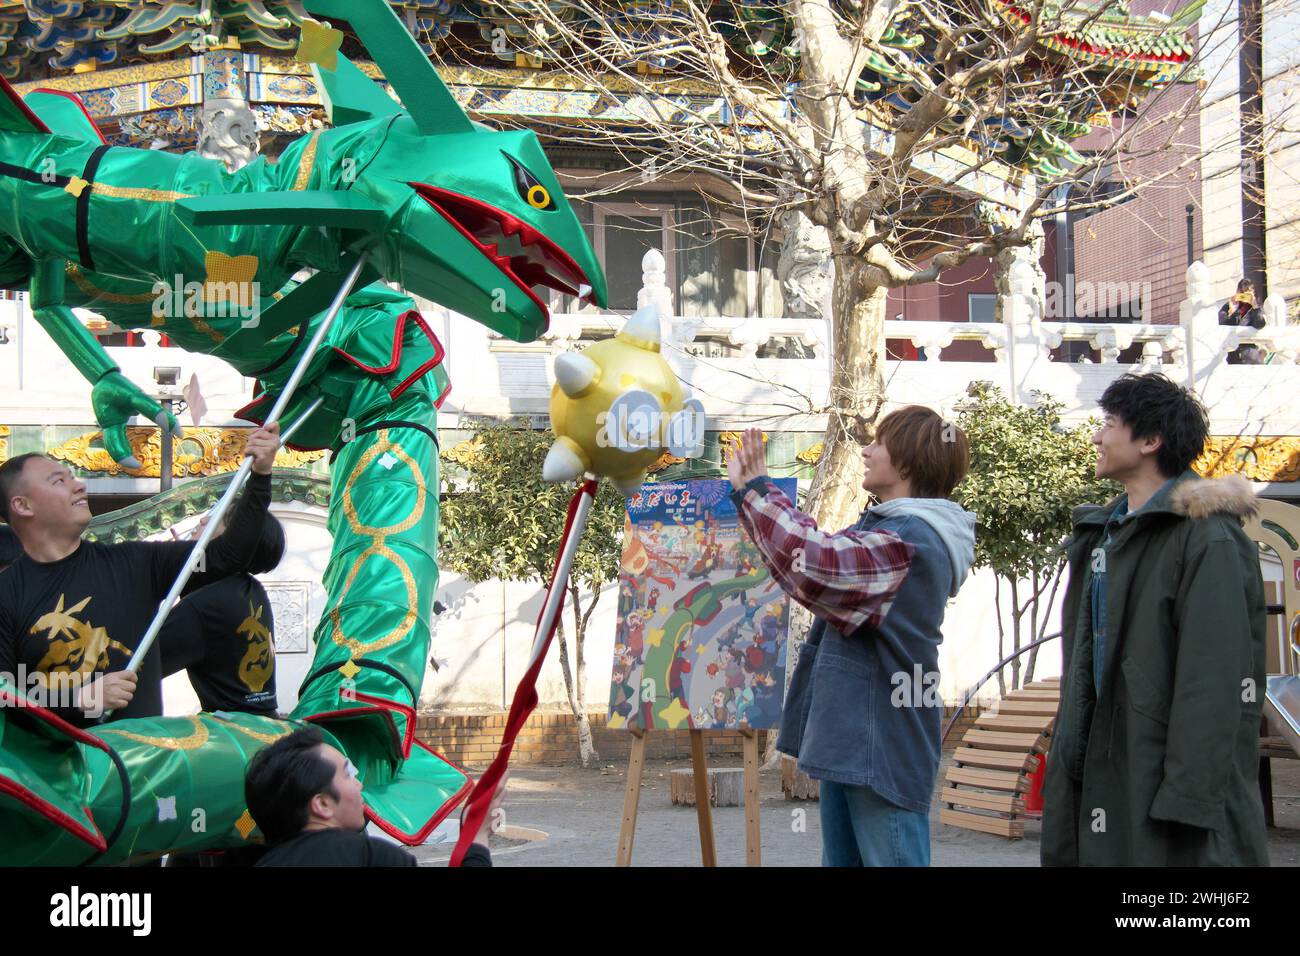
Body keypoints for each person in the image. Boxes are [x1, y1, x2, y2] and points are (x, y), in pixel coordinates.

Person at [727, 406, 975, 867]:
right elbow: (805, 563)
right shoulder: (889, 528)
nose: (866, 450)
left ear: (906, 463)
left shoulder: (912, 538)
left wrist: (758, 490)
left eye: (879, 443)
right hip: (855, 740)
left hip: (882, 745)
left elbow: (817, 564)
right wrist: (751, 497)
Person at [1041, 372, 1268, 866]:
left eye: (1109, 423)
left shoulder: (1209, 538)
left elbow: (1215, 682)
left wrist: (1188, 799)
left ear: (1150, 440)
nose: (1097, 436)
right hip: (1103, 772)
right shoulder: (1106, 533)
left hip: (1162, 784)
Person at [0, 425, 281, 724]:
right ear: (22, 505)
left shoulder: (139, 563)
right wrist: (79, 699)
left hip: (140, 763)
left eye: (73, 477)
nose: (79, 486)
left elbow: (227, 555)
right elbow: (5, 694)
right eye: (59, 481)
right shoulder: (6, 593)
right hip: (54, 767)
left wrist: (260, 476)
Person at [246, 726, 503, 867]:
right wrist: (477, 836)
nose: (359, 785)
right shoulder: (371, 857)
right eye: (347, 775)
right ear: (323, 804)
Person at [159, 510, 286, 715]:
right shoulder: (251, 589)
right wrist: (188, 568)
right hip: (262, 724)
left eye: (215, 519)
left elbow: (141, 664)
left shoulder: (204, 606)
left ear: (231, 539)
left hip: (230, 733)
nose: (202, 520)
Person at [1218, 278, 1266, 364]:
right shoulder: (1230, 305)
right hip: (1232, 352)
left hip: (1249, 352)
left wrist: (1255, 306)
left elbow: (1260, 324)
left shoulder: (1255, 308)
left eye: (1247, 294)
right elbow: (1220, 323)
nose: (1244, 298)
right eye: (1242, 294)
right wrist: (1232, 312)